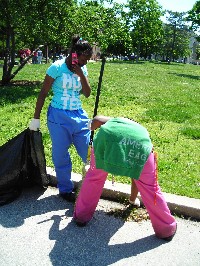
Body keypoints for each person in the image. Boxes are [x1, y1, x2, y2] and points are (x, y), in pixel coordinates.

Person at [73, 115, 177, 241]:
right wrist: (132, 200)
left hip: (106, 142)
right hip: (141, 148)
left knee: (94, 179)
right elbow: (136, 177)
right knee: (151, 189)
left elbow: (96, 120)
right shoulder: (140, 130)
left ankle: (81, 217)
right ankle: (166, 229)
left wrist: (91, 127)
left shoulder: (112, 121)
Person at [29, 36, 93, 202]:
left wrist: (80, 73)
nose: (86, 62)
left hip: (78, 115)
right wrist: (36, 118)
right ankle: (65, 189)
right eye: (84, 58)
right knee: (60, 154)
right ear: (74, 54)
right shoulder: (56, 68)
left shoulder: (83, 69)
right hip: (58, 115)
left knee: (88, 151)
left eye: (88, 59)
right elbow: (43, 93)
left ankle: (90, 186)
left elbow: (87, 93)